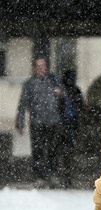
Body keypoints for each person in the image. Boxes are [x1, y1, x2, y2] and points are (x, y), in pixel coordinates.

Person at [15, 56, 65, 187]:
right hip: (37, 122)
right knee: (38, 150)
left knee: (52, 149)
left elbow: (65, 97)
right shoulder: (29, 84)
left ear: (46, 67)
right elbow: (22, 104)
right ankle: (39, 176)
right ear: (34, 68)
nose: (41, 68)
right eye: (38, 66)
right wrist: (20, 123)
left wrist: (60, 93)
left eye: (43, 66)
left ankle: (52, 175)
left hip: (53, 121)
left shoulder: (53, 80)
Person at [59, 69, 84, 188]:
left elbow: (81, 106)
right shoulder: (63, 90)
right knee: (64, 150)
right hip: (64, 123)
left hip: (71, 122)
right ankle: (66, 175)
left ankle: (67, 175)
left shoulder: (75, 90)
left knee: (68, 150)